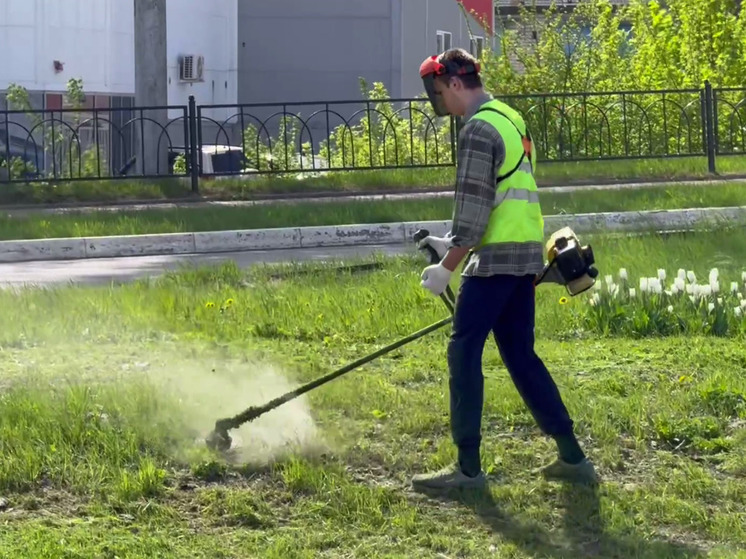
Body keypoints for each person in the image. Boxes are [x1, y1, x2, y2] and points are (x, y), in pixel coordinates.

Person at [412, 48, 597, 491]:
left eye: (441, 94)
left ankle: (468, 469)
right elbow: (504, 194)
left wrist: (447, 267)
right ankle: (573, 457)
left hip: (493, 262)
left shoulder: (477, 129)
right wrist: (449, 242)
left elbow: (474, 211)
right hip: (524, 256)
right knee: (519, 355)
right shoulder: (510, 118)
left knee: (463, 351)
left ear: (455, 84)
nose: (444, 104)